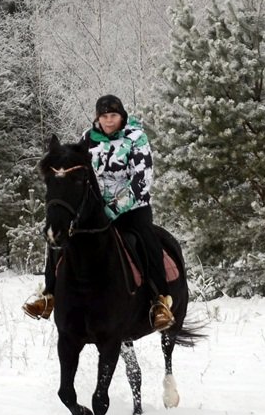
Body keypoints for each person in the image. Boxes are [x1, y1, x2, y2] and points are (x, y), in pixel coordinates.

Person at [23, 95, 175, 331]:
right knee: (58, 236)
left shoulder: (136, 138)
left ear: (122, 116)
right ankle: (49, 294)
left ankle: (159, 301)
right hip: (94, 210)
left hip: (133, 208)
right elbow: (77, 172)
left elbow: (141, 180)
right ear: (98, 118)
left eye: (113, 115)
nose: (109, 120)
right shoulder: (88, 138)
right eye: (104, 116)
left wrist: (113, 209)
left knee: (148, 240)